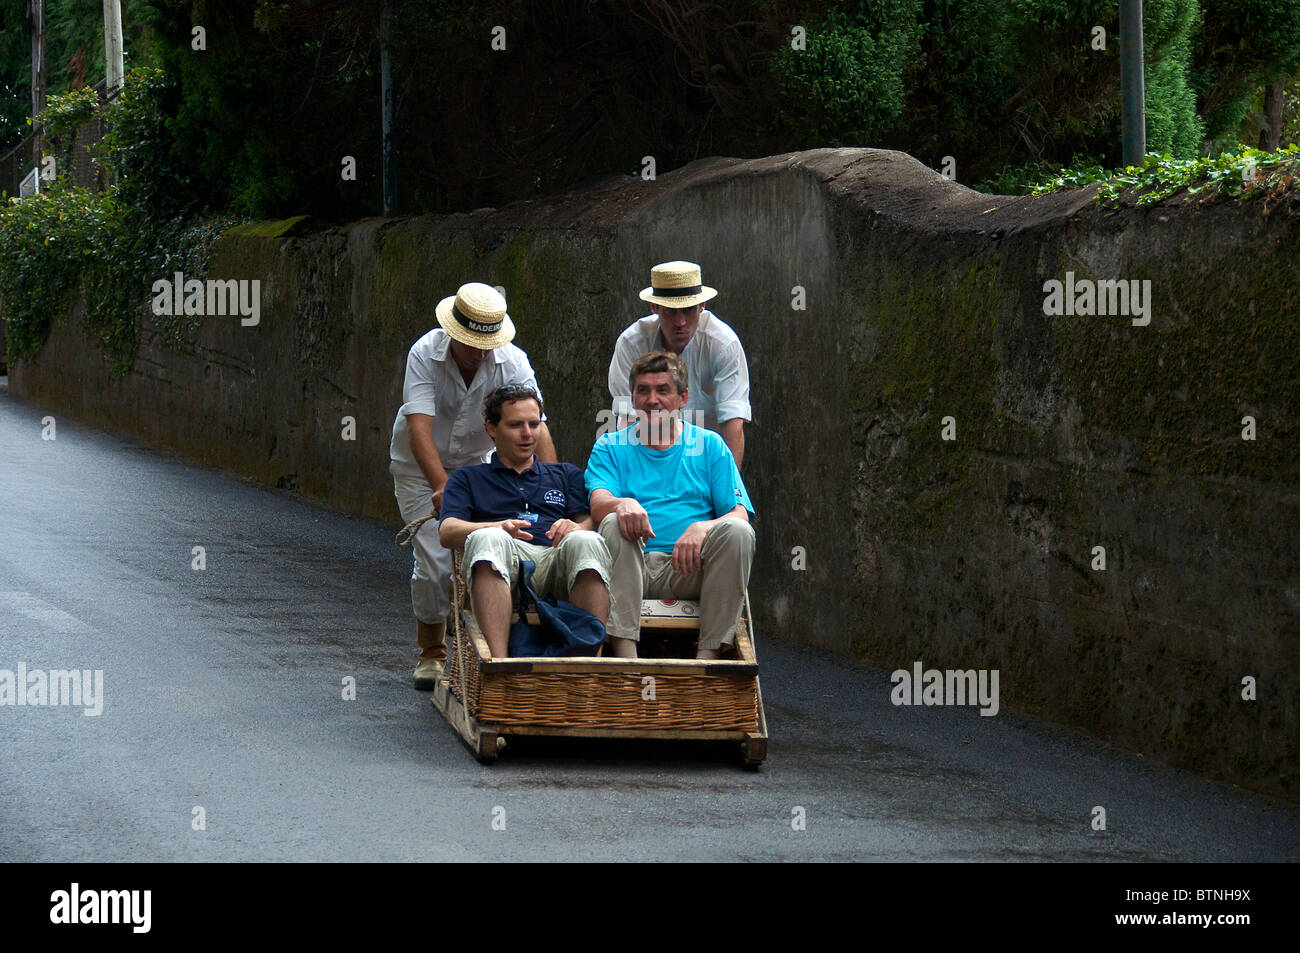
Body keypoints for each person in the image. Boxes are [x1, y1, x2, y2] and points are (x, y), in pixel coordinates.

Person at [390, 282, 556, 689]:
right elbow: (419, 427)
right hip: (420, 468)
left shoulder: (514, 362)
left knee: (489, 555)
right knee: (435, 562)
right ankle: (432, 651)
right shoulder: (424, 353)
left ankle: (480, 650)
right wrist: (444, 487)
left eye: (487, 344)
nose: (480, 353)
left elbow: (537, 426)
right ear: (452, 331)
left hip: (481, 466)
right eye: (471, 343)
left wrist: (553, 493)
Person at [587, 351, 755, 660]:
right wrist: (623, 503)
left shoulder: (710, 445)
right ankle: (626, 659)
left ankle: (707, 660)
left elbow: (740, 513)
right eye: (643, 390)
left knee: (737, 532)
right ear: (633, 398)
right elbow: (598, 504)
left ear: (683, 398)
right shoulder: (610, 446)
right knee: (612, 519)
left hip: (686, 569)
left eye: (663, 390)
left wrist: (702, 527)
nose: (652, 400)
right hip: (627, 566)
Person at [439, 386, 611, 658]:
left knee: (587, 540)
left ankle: (589, 663)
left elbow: (589, 520)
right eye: (515, 425)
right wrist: (496, 527)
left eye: (534, 424)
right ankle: (498, 666)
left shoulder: (565, 473)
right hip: (504, 561)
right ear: (492, 428)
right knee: (488, 538)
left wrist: (577, 527)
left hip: (557, 558)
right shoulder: (468, 478)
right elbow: (447, 531)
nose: (528, 434)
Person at [607, 261, 751, 466]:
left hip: (706, 459)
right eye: (671, 311)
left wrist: (730, 489)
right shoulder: (631, 343)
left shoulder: (724, 344)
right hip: (649, 456)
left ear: (702, 306)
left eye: (688, 310)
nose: (681, 322)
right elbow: (627, 418)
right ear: (654, 307)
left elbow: (733, 422)